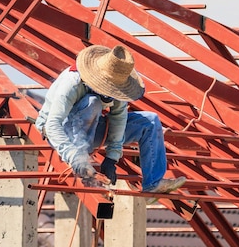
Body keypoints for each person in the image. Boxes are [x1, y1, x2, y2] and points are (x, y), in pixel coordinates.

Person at [35, 44, 186, 195]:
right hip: (61, 132)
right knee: (92, 102)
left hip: (91, 125)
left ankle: (153, 183)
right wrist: (77, 159)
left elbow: (119, 119)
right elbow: (52, 125)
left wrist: (112, 157)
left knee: (150, 121)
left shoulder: (118, 86)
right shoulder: (72, 83)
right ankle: (84, 163)